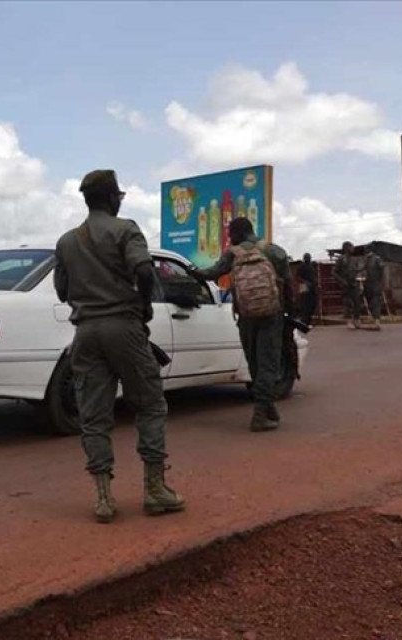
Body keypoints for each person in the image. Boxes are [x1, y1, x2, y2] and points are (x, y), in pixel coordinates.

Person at [54, 169, 184, 523]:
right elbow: (143, 270)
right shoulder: (126, 229)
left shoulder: (66, 242)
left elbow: (62, 291)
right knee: (150, 404)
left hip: (85, 333)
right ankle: (155, 490)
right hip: (124, 328)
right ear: (114, 198)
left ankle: (103, 498)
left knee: (93, 415)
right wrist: (143, 304)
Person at [189, 217, 294, 432]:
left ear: (239, 233)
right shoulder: (274, 251)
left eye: (231, 233)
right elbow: (288, 284)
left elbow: (211, 273)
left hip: (246, 316)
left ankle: (265, 410)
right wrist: (290, 314)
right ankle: (262, 414)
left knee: (254, 363)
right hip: (271, 315)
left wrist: (193, 271)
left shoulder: (232, 254)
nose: (229, 237)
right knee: (268, 364)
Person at [333, 241, 362, 329]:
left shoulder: (354, 259)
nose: (353, 248)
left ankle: (356, 320)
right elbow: (334, 272)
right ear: (346, 248)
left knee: (357, 303)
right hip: (345, 285)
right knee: (347, 304)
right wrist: (342, 281)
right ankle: (349, 322)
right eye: (351, 247)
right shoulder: (341, 259)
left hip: (354, 284)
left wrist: (359, 280)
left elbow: (357, 271)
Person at [363, 246, 385, 330]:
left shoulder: (376, 259)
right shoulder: (367, 259)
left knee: (375, 303)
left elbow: (382, 269)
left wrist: (380, 281)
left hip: (375, 284)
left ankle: (377, 323)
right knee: (371, 303)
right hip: (369, 284)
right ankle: (375, 321)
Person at [296, 252, 318, 326]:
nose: (308, 258)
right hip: (304, 286)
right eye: (307, 257)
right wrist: (305, 282)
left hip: (312, 286)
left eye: (309, 257)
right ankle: (304, 321)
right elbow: (297, 277)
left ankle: (309, 319)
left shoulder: (311, 266)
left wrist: (315, 283)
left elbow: (314, 276)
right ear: (304, 258)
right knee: (304, 304)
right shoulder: (301, 266)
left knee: (313, 303)